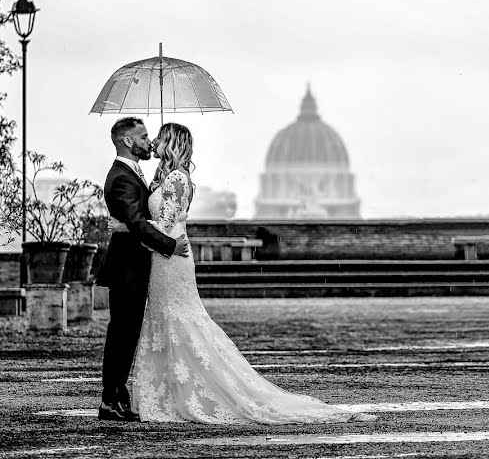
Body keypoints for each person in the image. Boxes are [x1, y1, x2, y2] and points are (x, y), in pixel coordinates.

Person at [131, 122, 374, 424]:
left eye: (159, 137)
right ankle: (169, 391)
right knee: (165, 318)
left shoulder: (178, 177)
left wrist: (127, 227)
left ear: (172, 144)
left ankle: (189, 391)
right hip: (165, 257)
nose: (153, 141)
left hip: (171, 257)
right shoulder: (169, 178)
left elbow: (164, 225)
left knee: (178, 318)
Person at [96, 117, 191, 421]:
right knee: (122, 332)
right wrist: (169, 244)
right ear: (128, 141)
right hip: (127, 267)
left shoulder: (137, 173)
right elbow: (137, 223)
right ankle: (111, 399)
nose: (149, 142)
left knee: (129, 332)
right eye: (143, 136)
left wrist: (126, 226)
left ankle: (117, 394)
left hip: (140, 265)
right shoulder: (122, 177)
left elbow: (136, 221)